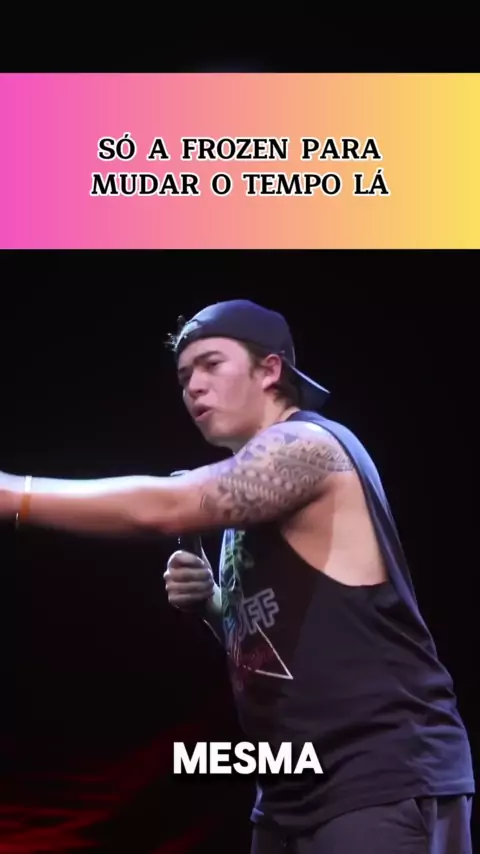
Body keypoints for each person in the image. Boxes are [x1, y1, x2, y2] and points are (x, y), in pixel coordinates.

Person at [1, 299, 474, 853]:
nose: (194, 388)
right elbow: (267, 650)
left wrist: (15, 495)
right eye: (184, 377)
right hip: (290, 783)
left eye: (211, 365)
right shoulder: (249, 502)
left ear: (269, 370)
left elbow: (168, 506)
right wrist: (214, 606)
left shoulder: (308, 446)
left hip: (380, 770)